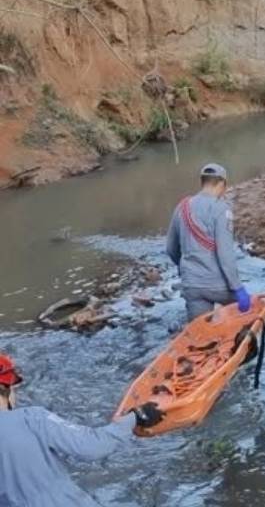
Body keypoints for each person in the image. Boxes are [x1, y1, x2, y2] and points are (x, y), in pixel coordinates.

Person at [0, 353, 165, 507]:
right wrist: (135, 417)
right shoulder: (32, 418)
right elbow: (92, 446)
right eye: (14, 390)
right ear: (5, 389)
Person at [166, 163, 251, 321]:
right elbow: (225, 255)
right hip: (217, 286)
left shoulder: (182, 207)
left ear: (202, 182)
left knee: (200, 334)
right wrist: (238, 288)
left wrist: (185, 267)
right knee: (244, 317)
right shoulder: (221, 209)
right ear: (221, 184)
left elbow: (170, 249)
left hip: (191, 286)